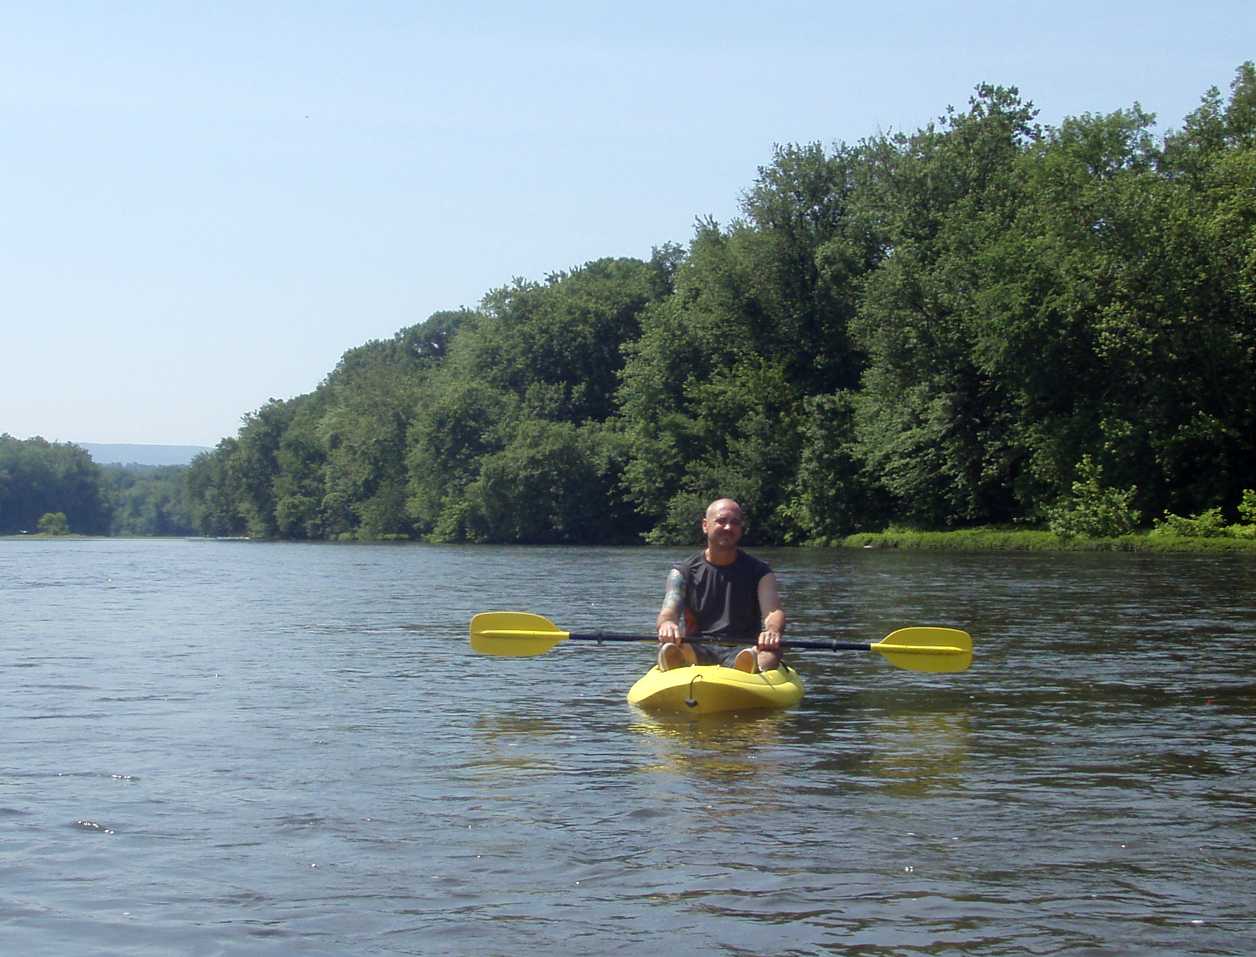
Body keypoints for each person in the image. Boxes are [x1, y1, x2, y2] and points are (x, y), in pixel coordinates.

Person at [655, 497, 785, 673]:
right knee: (670, 646)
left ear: (741, 529)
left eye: (735, 523)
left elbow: (773, 612)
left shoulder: (760, 572)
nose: (728, 527)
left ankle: (747, 671)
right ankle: (680, 668)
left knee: (770, 653)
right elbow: (668, 611)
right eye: (721, 521)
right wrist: (667, 625)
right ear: (705, 525)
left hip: (744, 649)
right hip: (696, 647)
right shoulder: (682, 573)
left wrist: (772, 630)